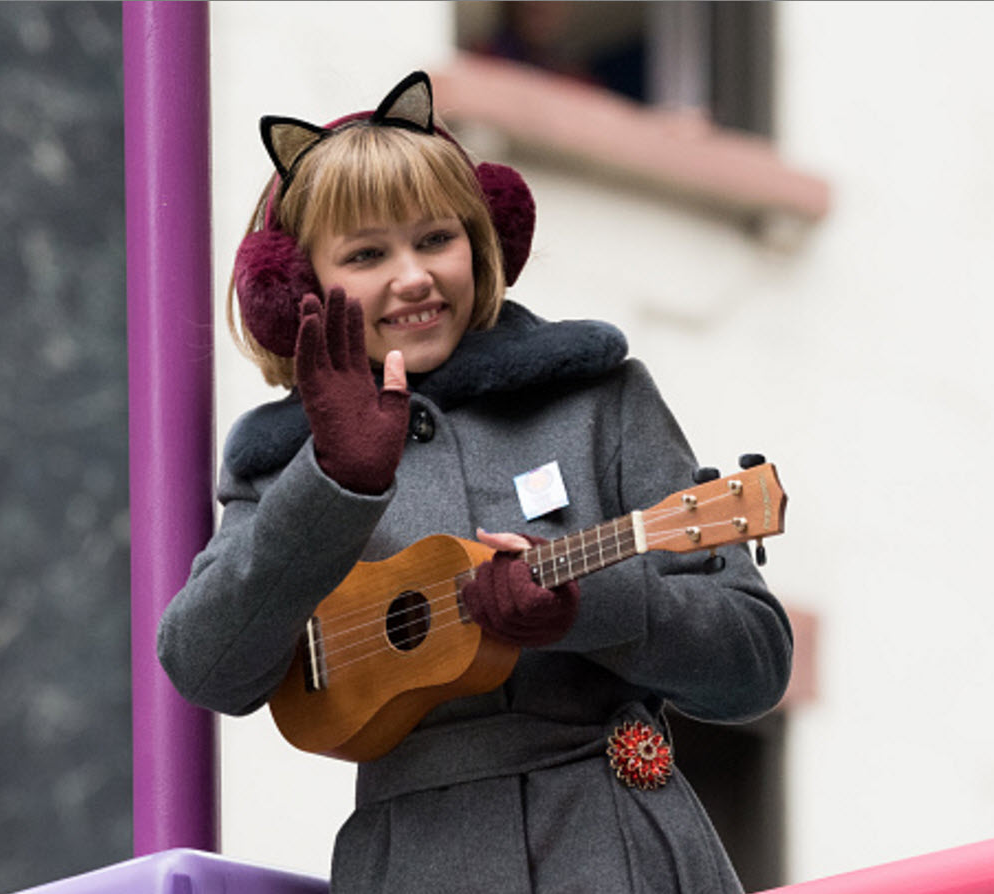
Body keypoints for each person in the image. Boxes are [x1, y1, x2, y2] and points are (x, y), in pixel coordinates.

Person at [157, 71, 792, 894]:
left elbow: (754, 663)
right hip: (413, 863)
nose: (413, 276)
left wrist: (585, 607)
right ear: (300, 290)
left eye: (436, 238)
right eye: (365, 254)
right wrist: (333, 482)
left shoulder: (597, 395)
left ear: (483, 239)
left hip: (618, 851)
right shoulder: (281, 463)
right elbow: (205, 667)